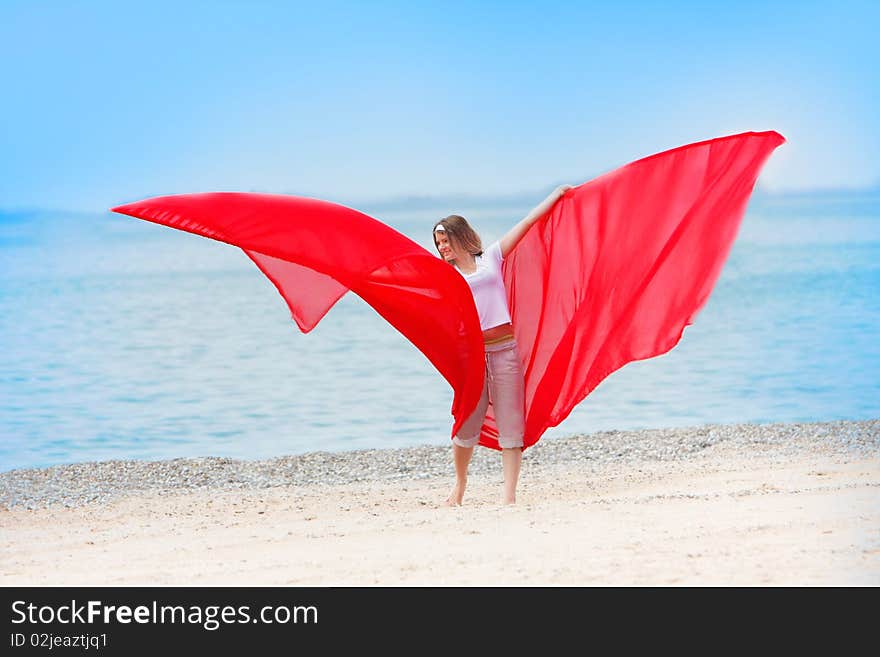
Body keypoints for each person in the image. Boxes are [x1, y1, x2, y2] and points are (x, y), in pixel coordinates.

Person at [433, 184, 573, 506]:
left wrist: (554, 198)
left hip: (505, 350)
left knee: (512, 424)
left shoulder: (491, 258)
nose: (442, 248)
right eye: (438, 243)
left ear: (460, 237)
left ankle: (509, 497)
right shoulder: (445, 276)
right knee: (467, 421)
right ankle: (460, 485)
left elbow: (526, 225)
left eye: (445, 241)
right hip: (472, 357)